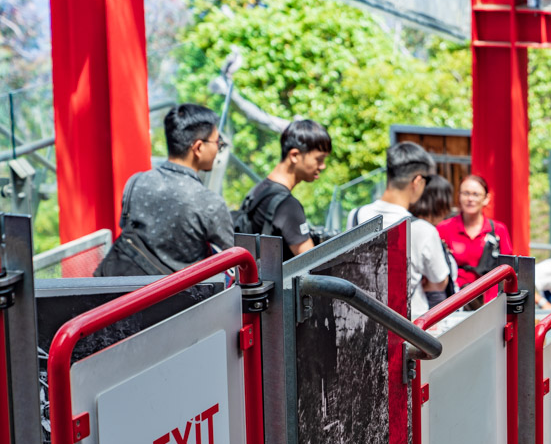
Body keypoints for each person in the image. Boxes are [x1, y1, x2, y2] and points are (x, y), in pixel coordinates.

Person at [95, 104, 234, 275]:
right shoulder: (209, 203)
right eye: (217, 142)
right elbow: (235, 256)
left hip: (126, 291)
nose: (217, 149)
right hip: (179, 298)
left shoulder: (136, 182)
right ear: (198, 147)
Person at [350, 143, 449, 315]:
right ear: (417, 181)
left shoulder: (356, 216)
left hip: (365, 320)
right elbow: (440, 282)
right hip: (410, 325)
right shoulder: (423, 229)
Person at [238, 119, 331, 260]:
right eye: (319, 159)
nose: (322, 166)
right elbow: (312, 263)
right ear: (294, 155)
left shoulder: (259, 190)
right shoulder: (287, 206)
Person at [438, 174, 513, 292]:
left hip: (490, 299)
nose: (470, 199)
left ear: (486, 198)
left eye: (476, 194)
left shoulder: (499, 230)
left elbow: (508, 269)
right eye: (466, 193)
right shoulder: (444, 228)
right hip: (455, 298)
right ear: (459, 196)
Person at [408, 173, 457, 308]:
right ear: (440, 202)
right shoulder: (426, 230)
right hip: (426, 309)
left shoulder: (406, 225)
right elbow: (439, 281)